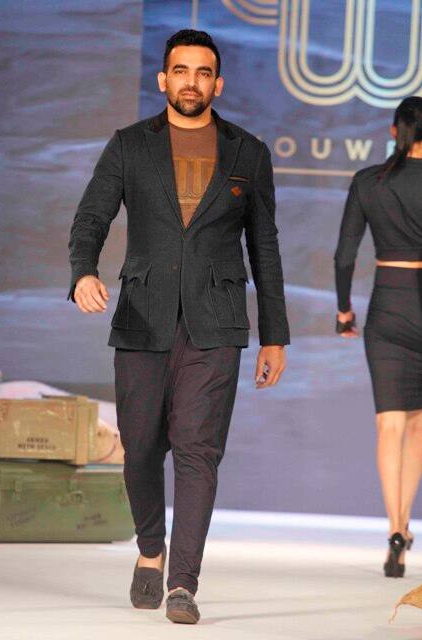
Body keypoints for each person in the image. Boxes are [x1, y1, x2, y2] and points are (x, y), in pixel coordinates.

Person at [67, 29, 290, 623]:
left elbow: (265, 248)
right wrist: (82, 272)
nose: (192, 82)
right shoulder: (129, 145)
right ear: (164, 79)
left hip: (217, 324)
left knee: (198, 451)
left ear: (218, 84)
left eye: (203, 72)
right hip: (143, 316)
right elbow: (91, 216)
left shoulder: (248, 152)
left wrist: (274, 334)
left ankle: (183, 583)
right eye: (181, 71)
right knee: (140, 446)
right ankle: (151, 548)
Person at [334, 96, 422, 578]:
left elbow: (344, 255)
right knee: (418, 427)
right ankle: (404, 527)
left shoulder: (369, 181)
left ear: (394, 132)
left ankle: (395, 528)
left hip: (389, 305)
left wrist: (344, 310)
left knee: (390, 425)